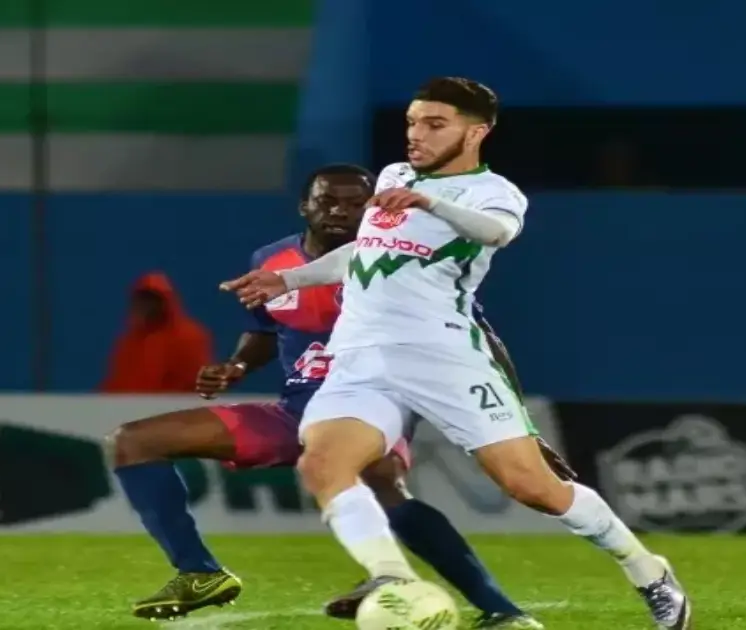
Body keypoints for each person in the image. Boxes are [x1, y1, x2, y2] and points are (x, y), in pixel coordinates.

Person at [223, 77, 692, 630]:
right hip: (361, 358)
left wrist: (432, 201)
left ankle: (646, 569)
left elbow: (496, 233)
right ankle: (394, 580)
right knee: (323, 463)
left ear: (476, 132)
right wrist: (290, 279)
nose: (416, 135)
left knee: (533, 487)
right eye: (411, 122)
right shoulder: (395, 176)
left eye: (434, 124)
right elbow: (367, 252)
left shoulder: (493, 192)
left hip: (443, 358)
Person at [108, 163, 561, 629]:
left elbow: (479, 337)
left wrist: (517, 422)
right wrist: (237, 365)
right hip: (296, 412)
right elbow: (266, 329)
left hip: (374, 408)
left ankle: (499, 609)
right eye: (327, 201)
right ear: (304, 206)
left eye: (355, 203)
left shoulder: (406, 260)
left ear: (376, 208)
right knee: (134, 441)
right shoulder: (273, 260)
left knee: (381, 482)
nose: (340, 211)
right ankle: (199, 573)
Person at [101, 272, 211, 393]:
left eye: (151, 300)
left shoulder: (188, 337)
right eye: (141, 299)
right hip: (130, 404)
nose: (144, 305)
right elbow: (116, 383)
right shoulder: (128, 341)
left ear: (164, 302)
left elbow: (196, 383)